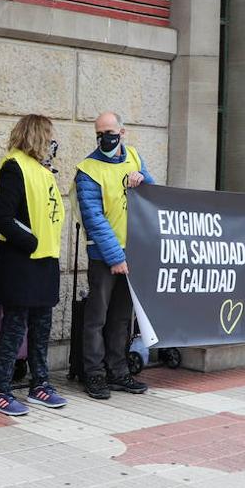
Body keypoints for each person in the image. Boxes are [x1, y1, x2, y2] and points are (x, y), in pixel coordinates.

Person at [0, 115, 68, 415]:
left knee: (41, 327)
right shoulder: (13, 167)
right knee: (14, 328)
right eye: (49, 136)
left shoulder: (42, 170)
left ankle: (40, 384)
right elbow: (3, 219)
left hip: (44, 262)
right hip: (22, 263)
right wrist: (32, 242)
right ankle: (0, 391)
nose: (52, 143)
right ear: (36, 136)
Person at [75, 111, 155, 399]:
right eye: (99, 133)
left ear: (123, 132)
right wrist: (114, 257)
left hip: (132, 253)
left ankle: (118, 372)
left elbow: (154, 195)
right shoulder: (87, 169)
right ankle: (94, 375)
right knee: (96, 318)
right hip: (104, 257)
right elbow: (94, 218)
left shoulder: (134, 157)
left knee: (122, 318)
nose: (104, 138)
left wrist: (142, 178)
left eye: (109, 132)